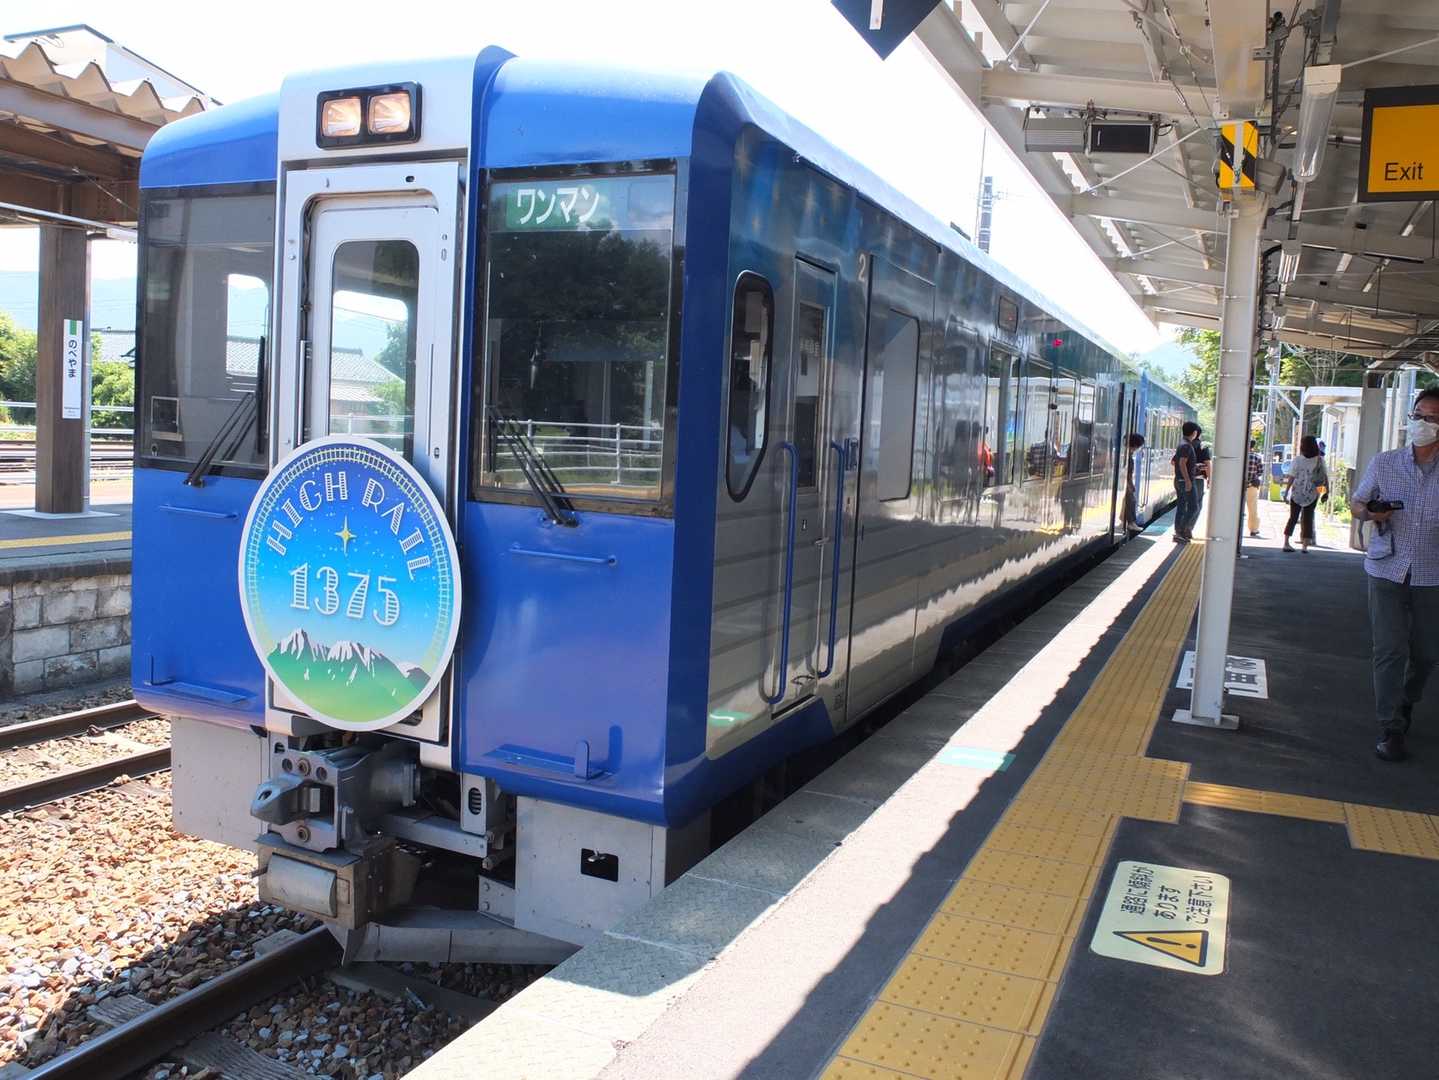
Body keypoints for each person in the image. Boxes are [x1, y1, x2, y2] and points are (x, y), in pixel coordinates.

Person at [1352, 387, 1439, 762]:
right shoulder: (1385, 463)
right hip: (1386, 567)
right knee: (1389, 648)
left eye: (1432, 418)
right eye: (1418, 415)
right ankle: (1390, 726)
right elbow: (1357, 504)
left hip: (1432, 573)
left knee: (1427, 654)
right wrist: (1370, 512)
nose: (1422, 423)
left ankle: (1406, 700)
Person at [1281, 435, 1327, 553]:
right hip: (1312, 493)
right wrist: (1324, 493)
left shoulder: (1297, 460)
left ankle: (1286, 543)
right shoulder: (1320, 460)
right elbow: (1322, 478)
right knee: (1308, 519)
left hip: (1297, 492)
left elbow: (1291, 477)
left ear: (1303, 446)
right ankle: (1305, 546)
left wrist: (1286, 492)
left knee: (1293, 518)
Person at [1173, 421, 1201, 542]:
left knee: (1181, 506)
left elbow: (1178, 462)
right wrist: (1187, 480)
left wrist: (1195, 466)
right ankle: (1181, 531)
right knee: (1194, 507)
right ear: (1194, 433)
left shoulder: (1182, 444)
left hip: (1180, 480)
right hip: (1185, 481)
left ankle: (1178, 532)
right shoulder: (1187, 446)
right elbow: (1182, 463)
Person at [1123, 432, 1145, 536]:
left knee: (1131, 500)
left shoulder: (1127, 455)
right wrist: (1130, 485)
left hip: (1126, 482)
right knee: (1131, 500)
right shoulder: (1127, 456)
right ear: (1135, 445)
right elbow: (1127, 474)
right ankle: (1131, 522)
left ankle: (1131, 522)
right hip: (1126, 483)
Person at [1243, 442, 1264, 538]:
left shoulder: (1241, 456)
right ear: (1253, 446)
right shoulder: (1257, 457)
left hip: (1240, 486)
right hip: (1252, 485)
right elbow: (1260, 472)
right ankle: (1253, 530)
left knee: (1236, 507)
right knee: (1252, 509)